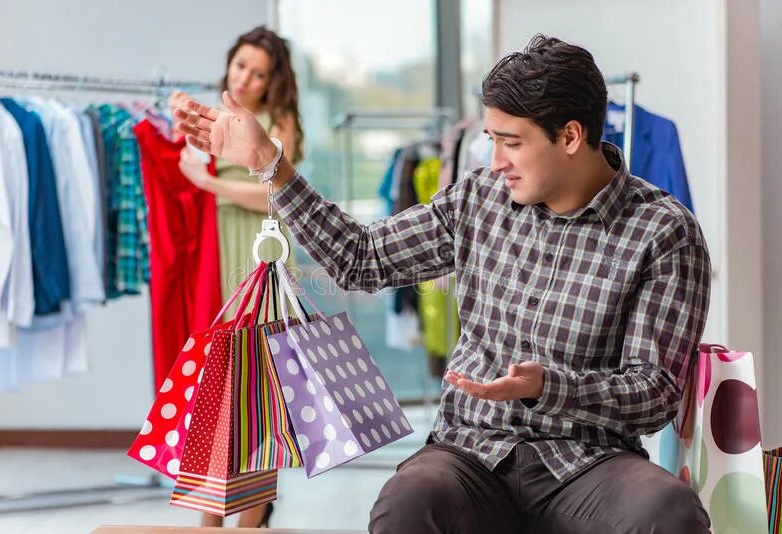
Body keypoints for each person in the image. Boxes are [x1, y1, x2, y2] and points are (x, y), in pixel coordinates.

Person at [176, 35, 712, 533]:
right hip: (470, 453)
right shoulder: (478, 198)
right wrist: (269, 163)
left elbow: (654, 394)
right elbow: (360, 258)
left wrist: (549, 386)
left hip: (590, 463)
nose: (495, 161)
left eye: (512, 142)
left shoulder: (663, 232)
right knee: (407, 501)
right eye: (491, 140)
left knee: (668, 511)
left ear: (570, 136)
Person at [170, 26, 303, 529]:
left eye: (259, 72)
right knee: (216, 395)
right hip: (217, 256)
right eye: (240, 66)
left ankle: (248, 522)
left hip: (257, 259)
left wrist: (207, 182)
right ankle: (210, 519)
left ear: (274, 82)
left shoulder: (278, 121)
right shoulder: (221, 117)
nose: (245, 78)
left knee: (258, 401)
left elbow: (275, 194)